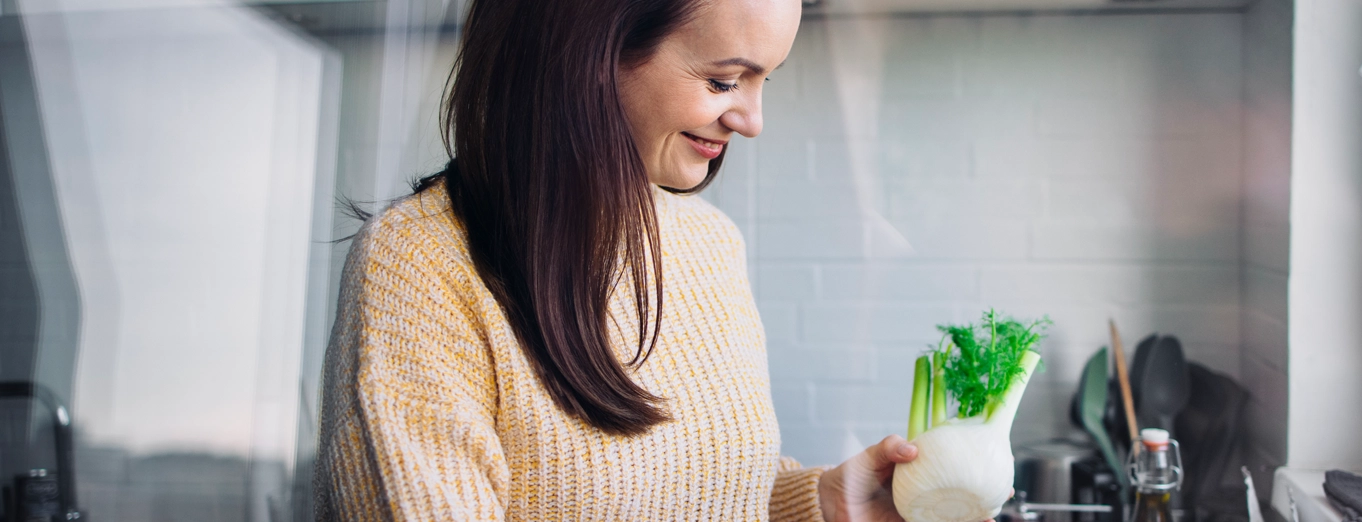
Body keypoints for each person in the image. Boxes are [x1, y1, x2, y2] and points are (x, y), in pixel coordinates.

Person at [311, 0, 930, 520]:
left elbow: (696, 486)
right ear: (590, 54)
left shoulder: (712, 243)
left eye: (765, 79)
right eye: (723, 82)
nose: (752, 121)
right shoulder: (419, 264)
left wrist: (816, 501)